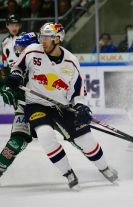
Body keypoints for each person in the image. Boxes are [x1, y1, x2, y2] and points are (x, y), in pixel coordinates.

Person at [7, 22, 118, 190]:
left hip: (63, 106)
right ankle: (68, 173)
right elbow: (17, 68)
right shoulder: (32, 51)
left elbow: (78, 91)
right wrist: (15, 75)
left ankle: (104, 167)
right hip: (36, 104)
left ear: (57, 39)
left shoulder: (71, 62)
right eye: (41, 37)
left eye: (46, 38)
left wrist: (80, 106)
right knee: (45, 135)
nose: (42, 41)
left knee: (86, 140)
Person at [0, 32, 39, 178]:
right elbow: (4, 75)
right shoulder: (15, 63)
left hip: (52, 107)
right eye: (19, 48)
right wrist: (5, 88)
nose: (19, 52)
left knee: (75, 134)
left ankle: (100, 162)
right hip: (25, 105)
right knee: (18, 139)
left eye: (23, 48)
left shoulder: (47, 60)